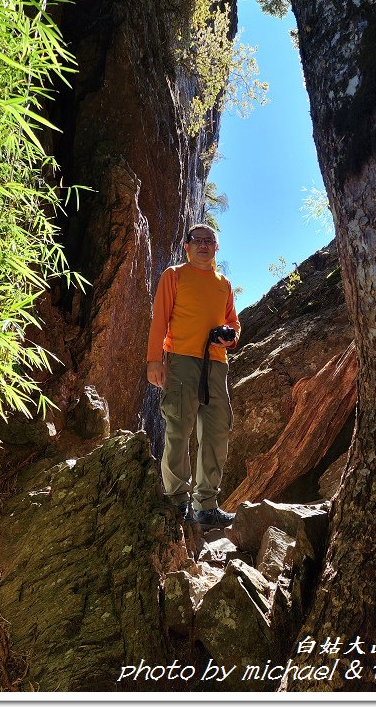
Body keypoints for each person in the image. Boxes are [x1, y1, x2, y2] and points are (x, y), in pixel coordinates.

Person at [146, 223, 241, 529]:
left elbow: (234, 324)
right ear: (186, 247)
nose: (203, 245)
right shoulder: (174, 275)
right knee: (178, 427)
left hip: (215, 363)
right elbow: (160, 318)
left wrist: (230, 336)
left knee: (216, 431)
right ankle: (177, 502)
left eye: (209, 241)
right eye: (197, 240)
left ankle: (207, 506)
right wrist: (154, 360)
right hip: (182, 360)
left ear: (216, 249)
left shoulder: (223, 284)